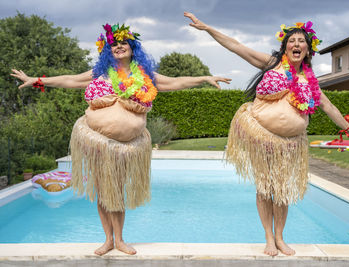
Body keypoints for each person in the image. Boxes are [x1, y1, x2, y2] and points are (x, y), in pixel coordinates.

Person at [11, 23, 231, 256]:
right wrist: (36, 80)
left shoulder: (145, 76)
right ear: (108, 50)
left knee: (115, 189)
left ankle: (120, 240)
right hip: (96, 140)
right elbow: (70, 80)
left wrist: (205, 78)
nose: (118, 47)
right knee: (101, 189)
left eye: (123, 43)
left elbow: (175, 82)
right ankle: (108, 240)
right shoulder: (100, 73)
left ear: (132, 47)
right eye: (113, 44)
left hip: (125, 145)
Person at [184, 13, 349, 256]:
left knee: (282, 190)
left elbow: (329, 108)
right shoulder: (271, 64)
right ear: (285, 46)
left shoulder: (310, 82)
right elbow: (238, 47)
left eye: (302, 41)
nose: (297, 44)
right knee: (264, 188)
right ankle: (268, 237)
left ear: (308, 51)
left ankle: (280, 237)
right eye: (292, 41)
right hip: (261, 135)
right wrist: (207, 28)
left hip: (290, 143)